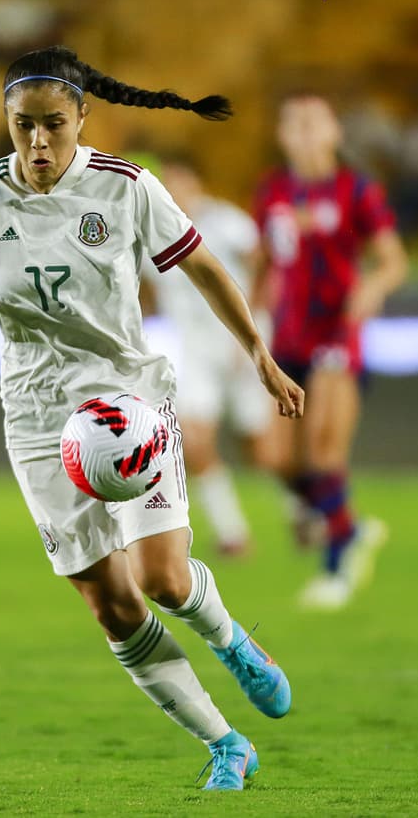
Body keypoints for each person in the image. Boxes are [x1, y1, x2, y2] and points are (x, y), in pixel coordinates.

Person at [0, 46, 304, 792]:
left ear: (83, 119)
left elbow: (207, 267)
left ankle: (234, 639)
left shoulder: (126, 188)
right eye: (22, 126)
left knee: (161, 576)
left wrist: (257, 352)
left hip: (126, 397)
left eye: (53, 125)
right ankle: (225, 743)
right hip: (34, 415)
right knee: (111, 603)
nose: (36, 143)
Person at [253, 94, 408, 611]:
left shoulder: (357, 191)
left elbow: (392, 260)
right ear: (282, 136)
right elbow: (265, 262)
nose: (304, 132)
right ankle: (351, 527)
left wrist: (372, 288)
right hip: (288, 338)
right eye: (293, 123)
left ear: (334, 132)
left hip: (337, 336)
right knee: (275, 457)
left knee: (323, 454)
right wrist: (251, 319)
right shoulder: (274, 192)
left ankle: (337, 567)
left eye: (314, 122)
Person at [147, 152, 274, 557]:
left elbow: (265, 267)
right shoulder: (152, 233)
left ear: (196, 181)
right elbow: (144, 291)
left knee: (260, 448)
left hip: (243, 342)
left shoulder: (226, 222)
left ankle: (306, 511)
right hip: (195, 350)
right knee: (193, 439)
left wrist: (252, 334)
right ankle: (232, 533)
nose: (171, 188)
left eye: (176, 178)